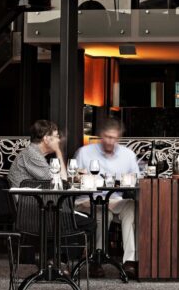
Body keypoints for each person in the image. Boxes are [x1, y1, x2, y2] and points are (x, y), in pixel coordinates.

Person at [74, 118, 139, 278]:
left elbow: (138, 179)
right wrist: (80, 176)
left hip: (115, 199)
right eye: (107, 137)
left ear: (119, 138)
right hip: (88, 200)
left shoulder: (127, 155)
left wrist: (130, 178)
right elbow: (74, 178)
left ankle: (130, 261)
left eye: (114, 138)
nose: (110, 141)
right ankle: (97, 259)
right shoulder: (84, 153)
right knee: (102, 212)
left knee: (131, 206)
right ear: (101, 136)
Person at [8, 119, 68, 187]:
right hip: (26, 197)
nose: (59, 140)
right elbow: (60, 183)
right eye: (56, 136)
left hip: (32, 196)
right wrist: (58, 151)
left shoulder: (33, 152)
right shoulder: (32, 154)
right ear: (46, 139)